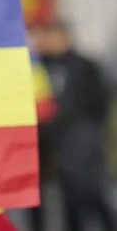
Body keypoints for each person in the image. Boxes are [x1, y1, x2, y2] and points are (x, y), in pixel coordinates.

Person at [34, 21, 115, 231]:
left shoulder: (84, 65)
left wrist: (87, 136)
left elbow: (96, 104)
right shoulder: (41, 65)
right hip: (54, 144)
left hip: (80, 144)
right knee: (64, 203)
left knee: (89, 196)